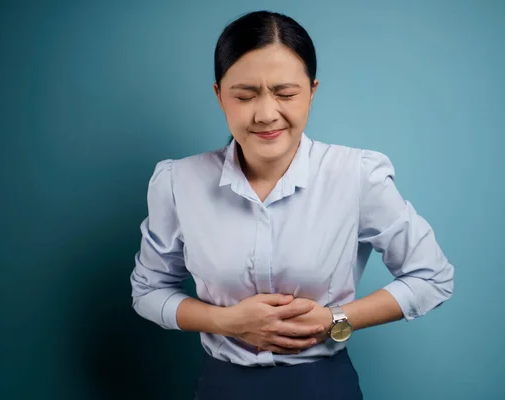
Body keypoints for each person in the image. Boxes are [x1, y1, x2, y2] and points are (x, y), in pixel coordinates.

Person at [130, 10, 454, 400]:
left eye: (285, 94)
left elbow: (432, 277)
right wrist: (227, 321)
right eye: (245, 95)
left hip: (324, 387)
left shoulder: (355, 175)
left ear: (312, 90)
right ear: (219, 95)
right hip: (221, 387)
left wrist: (335, 319)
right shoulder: (179, 182)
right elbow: (148, 291)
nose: (267, 114)